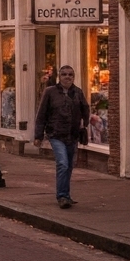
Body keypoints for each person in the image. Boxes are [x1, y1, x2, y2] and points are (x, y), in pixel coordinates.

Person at [34, 65, 91, 209]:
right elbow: (41, 115)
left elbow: (85, 108)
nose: (67, 77)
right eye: (64, 74)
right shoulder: (50, 92)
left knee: (69, 166)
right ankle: (62, 196)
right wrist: (38, 136)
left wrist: (84, 122)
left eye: (70, 74)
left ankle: (66, 194)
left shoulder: (77, 92)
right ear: (59, 77)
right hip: (56, 134)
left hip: (72, 135)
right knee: (63, 164)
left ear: (74, 77)